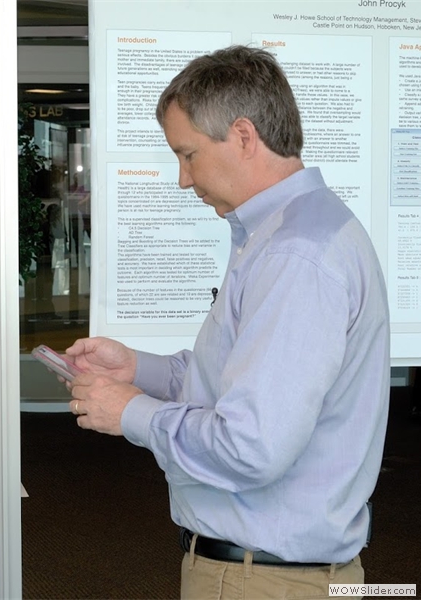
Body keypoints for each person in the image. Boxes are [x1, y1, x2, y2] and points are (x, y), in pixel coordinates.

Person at [66, 46, 390, 598]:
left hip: (262, 579)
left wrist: (132, 413)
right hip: (275, 572)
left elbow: (251, 445)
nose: (183, 180)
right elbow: (240, 378)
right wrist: (137, 368)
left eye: (188, 155)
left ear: (243, 136)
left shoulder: (295, 257)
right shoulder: (288, 235)